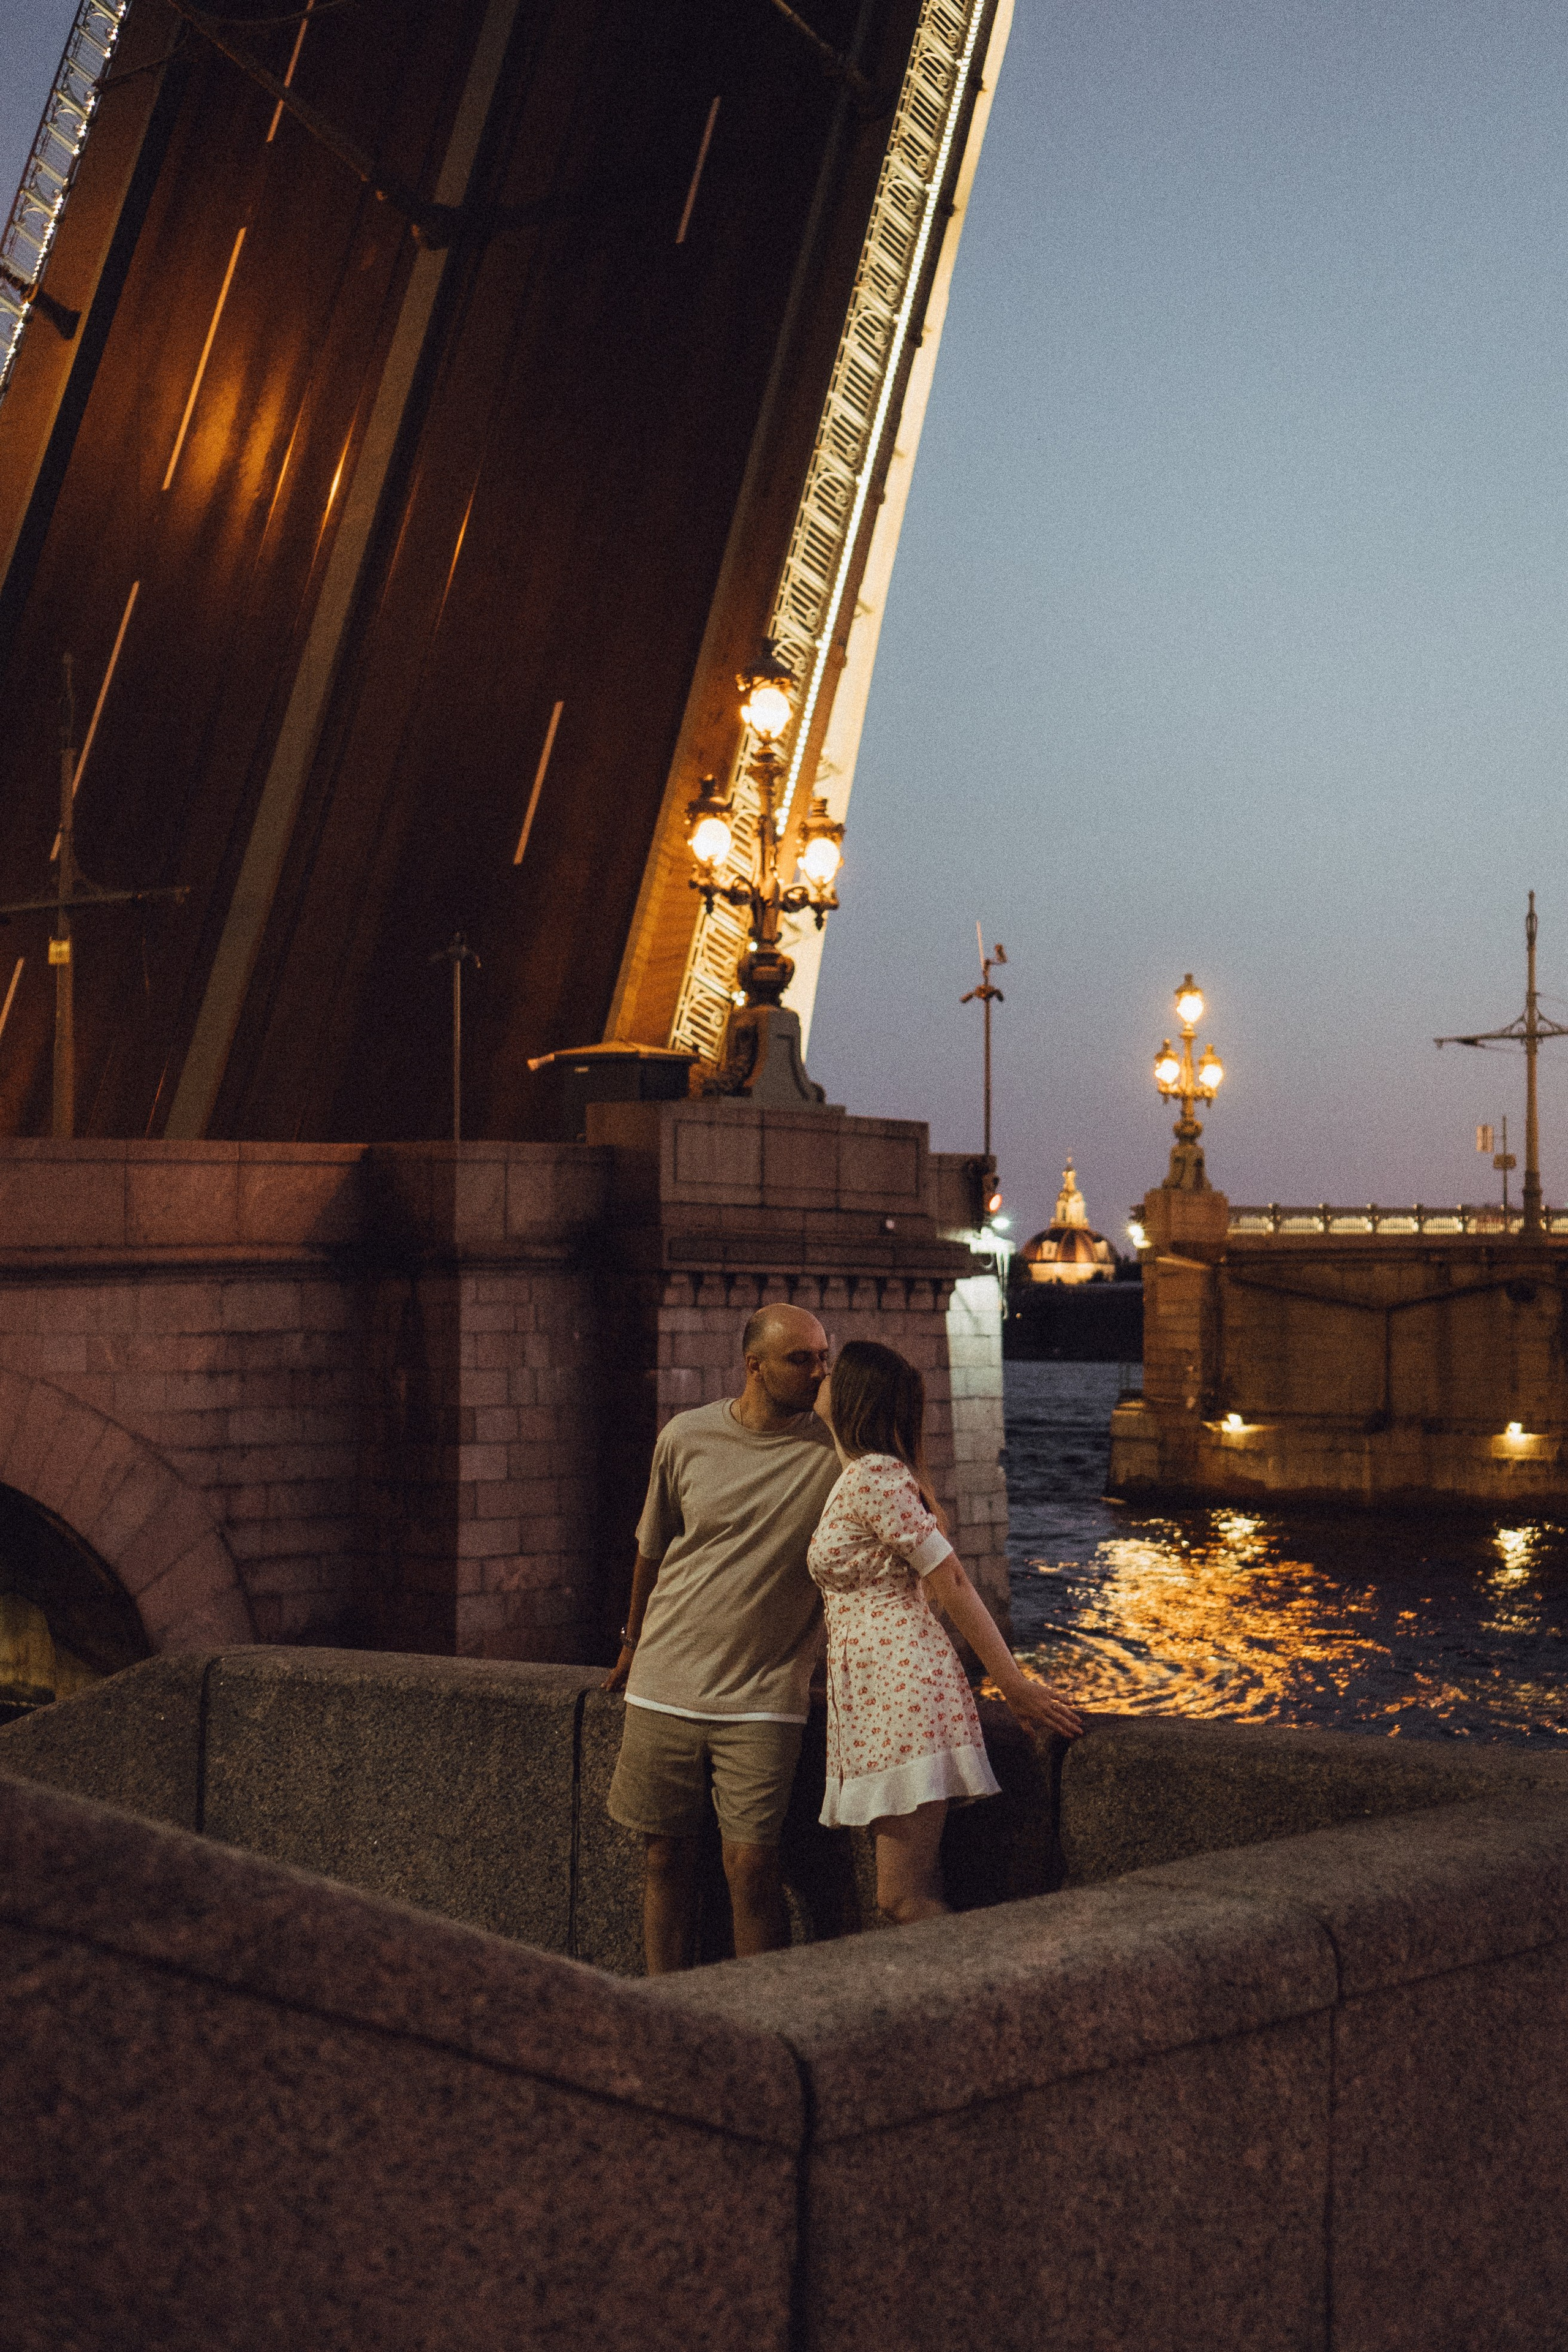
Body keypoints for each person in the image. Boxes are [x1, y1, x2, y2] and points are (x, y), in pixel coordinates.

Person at [810, 1337, 1084, 1924]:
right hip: (877, 1697)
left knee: (899, 1899)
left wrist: (1012, 1684)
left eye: (834, 1371)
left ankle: (984, 1995)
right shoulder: (859, 1477)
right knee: (916, 1888)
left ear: (855, 1396)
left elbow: (953, 1580)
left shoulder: (874, 1479)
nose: (821, 1376)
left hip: (902, 1693)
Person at [603, 1301, 840, 1973]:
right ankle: (666, 2008)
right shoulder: (686, 1436)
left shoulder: (836, 1449)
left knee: (753, 1866)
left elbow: (913, 1505)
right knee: (664, 1858)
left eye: (825, 1358)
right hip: (663, 1684)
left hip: (765, 1695)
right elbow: (652, 1547)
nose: (819, 1374)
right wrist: (631, 1641)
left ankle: (755, 2021)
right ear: (753, 1366)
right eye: (802, 1360)